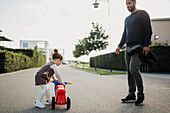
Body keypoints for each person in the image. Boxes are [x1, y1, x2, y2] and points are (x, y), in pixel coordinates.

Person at [115, 0, 152, 105]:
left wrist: (146, 45)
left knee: (133, 69)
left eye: (129, 3)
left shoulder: (142, 14)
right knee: (129, 72)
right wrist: (119, 46)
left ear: (135, 2)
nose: (128, 5)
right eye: (126, 4)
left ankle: (140, 94)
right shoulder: (127, 19)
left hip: (138, 47)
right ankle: (131, 94)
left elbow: (148, 30)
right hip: (128, 48)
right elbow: (125, 34)